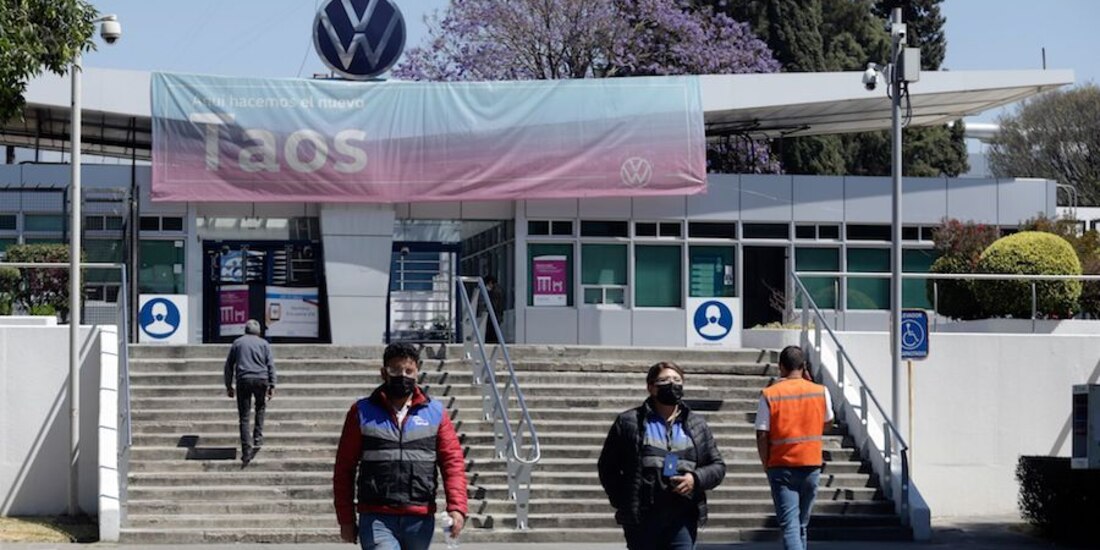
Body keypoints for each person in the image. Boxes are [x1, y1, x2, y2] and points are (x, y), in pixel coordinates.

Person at [333, 342, 468, 550]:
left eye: (408, 371)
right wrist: (346, 519)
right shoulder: (361, 412)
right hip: (376, 516)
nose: (402, 376)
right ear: (383, 373)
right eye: (395, 370)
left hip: (420, 519)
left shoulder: (436, 413)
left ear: (417, 373)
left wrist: (457, 507)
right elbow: (344, 468)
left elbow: (452, 462)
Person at [598, 362, 726, 550]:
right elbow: (608, 467)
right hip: (643, 517)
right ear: (651, 387)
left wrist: (695, 479)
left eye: (677, 380)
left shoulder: (697, 424)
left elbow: (717, 466)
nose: (671, 384)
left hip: (683, 514)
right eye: (664, 380)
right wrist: (624, 501)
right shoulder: (629, 422)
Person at [755, 346, 834, 550]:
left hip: (781, 466)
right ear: (804, 366)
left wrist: (766, 464)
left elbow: (762, 433)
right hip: (811, 465)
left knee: (790, 525)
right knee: (801, 524)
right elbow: (828, 422)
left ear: (780, 367)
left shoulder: (769, 394)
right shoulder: (820, 391)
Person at [223, 319, 276, 466]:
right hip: (261, 379)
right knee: (260, 407)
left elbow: (228, 366)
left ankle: (246, 450)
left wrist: (229, 386)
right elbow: (270, 365)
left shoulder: (237, 343)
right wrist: (272, 384)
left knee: (244, 417)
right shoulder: (264, 344)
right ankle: (257, 437)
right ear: (258, 332)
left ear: (245, 330)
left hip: (243, 380)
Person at [482, 275, 505, 343]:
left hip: (494, 317)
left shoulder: (495, 292)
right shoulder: (499, 290)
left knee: (491, 335)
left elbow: (494, 305)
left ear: (490, 283)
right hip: (497, 316)